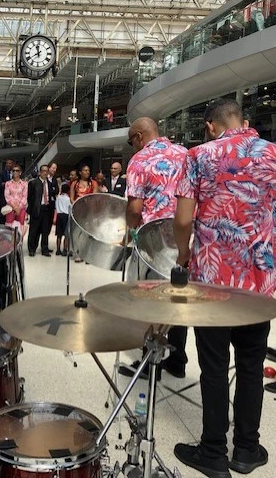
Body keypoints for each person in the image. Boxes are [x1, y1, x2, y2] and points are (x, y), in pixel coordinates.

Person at [173, 98, 276, 478]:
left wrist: (184, 253)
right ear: (244, 121)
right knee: (250, 365)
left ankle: (213, 452)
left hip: (212, 279)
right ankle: (247, 449)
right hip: (259, 284)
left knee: (213, 367)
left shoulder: (198, 155)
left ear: (211, 126)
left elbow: (183, 220)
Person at [118, 117, 189, 380]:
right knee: (178, 297)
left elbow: (135, 209)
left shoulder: (140, 160)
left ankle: (152, 363)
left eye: (131, 141)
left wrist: (128, 229)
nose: (132, 146)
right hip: (183, 237)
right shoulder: (185, 154)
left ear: (138, 136)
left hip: (154, 240)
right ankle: (178, 358)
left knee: (150, 300)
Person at [27, 164, 53, 257]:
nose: (45, 173)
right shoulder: (33, 183)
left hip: (46, 209)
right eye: (43, 171)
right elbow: (29, 197)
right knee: (34, 230)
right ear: (40, 172)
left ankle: (44, 249)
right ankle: (32, 248)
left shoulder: (49, 184)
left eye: (47, 171)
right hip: (37, 209)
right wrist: (31, 209)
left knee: (45, 230)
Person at [4, 164, 28, 237]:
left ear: (20, 172)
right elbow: (7, 196)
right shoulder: (8, 183)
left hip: (21, 209)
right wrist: (14, 207)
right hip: (10, 208)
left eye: (17, 171)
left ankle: (18, 244)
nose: (15, 172)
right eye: (13, 171)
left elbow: (25, 196)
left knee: (20, 227)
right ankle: (9, 246)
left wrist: (19, 207)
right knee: (9, 227)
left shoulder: (24, 184)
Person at [55, 182, 71, 256]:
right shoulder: (68, 199)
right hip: (66, 216)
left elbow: (56, 207)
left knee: (59, 234)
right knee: (66, 234)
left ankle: (58, 250)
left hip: (59, 215)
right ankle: (65, 249)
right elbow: (70, 208)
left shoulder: (58, 197)